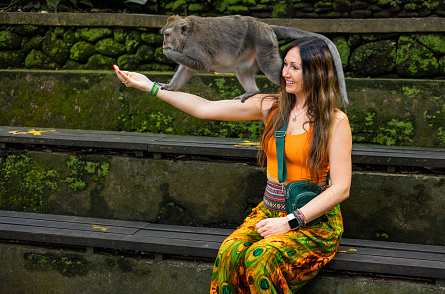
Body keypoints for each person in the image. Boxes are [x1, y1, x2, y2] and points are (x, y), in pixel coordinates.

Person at [114, 37, 352, 294]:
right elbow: (204, 108)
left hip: (312, 222)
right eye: (285, 65)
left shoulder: (335, 121)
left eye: (294, 67)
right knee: (230, 253)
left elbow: (341, 188)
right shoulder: (270, 106)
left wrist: (291, 221)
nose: (284, 73)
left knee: (260, 259)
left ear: (316, 73)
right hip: (269, 212)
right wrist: (151, 87)